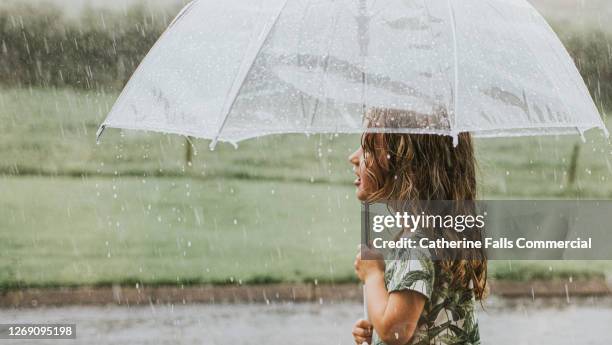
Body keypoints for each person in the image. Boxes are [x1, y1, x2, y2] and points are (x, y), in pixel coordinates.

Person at [348, 108, 487, 345]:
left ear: (406, 168)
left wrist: (373, 276)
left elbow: (396, 332)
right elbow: (423, 327)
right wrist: (377, 334)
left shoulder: (415, 245)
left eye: (369, 149)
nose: (354, 157)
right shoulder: (443, 233)